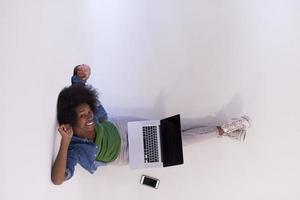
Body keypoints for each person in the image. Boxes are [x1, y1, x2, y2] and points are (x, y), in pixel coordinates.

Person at [51, 64, 252, 185]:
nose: (90, 117)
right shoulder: (75, 149)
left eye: (89, 111)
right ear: (70, 123)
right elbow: (58, 179)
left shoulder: (82, 106)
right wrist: (66, 142)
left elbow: (79, 83)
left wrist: (82, 72)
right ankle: (224, 129)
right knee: (179, 142)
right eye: (83, 116)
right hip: (126, 154)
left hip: (123, 128)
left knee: (176, 128)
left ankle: (226, 130)